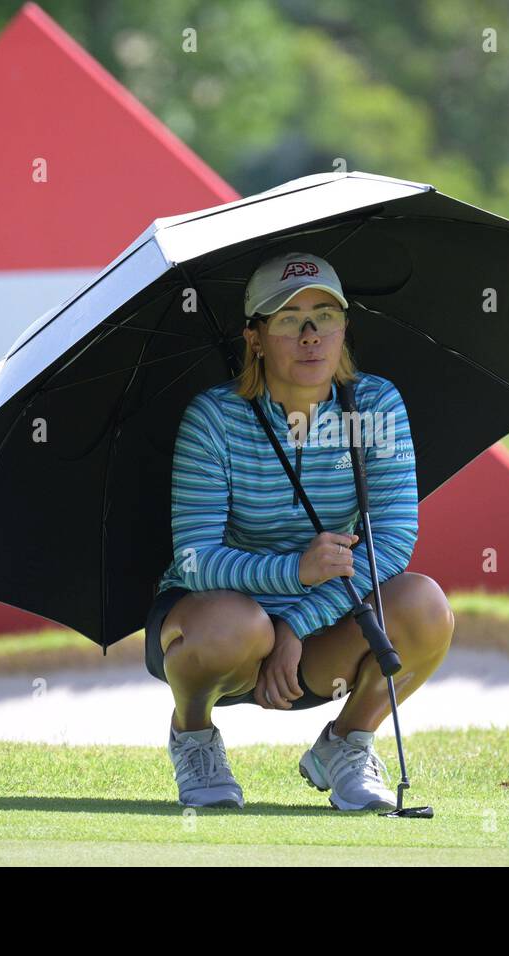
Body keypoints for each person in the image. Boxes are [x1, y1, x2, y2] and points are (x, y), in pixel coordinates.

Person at [144, 250, 454, 811]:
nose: (311, 335)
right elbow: (193, 559)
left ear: (343, 327)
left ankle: (345, 745)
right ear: (256, 338)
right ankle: (193, 737)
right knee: (235, 624)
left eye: (325, 315)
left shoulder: (375, 406)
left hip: (319, 628)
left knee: (424, 605)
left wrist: (296, 618)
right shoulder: (213, 417)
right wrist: (292, 573)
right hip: (221, 632)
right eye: (288, 319)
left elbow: (394, 540)